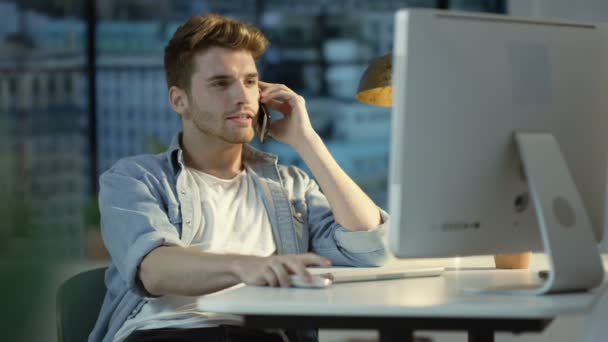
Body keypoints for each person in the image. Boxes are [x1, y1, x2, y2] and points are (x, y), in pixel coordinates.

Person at [88, 13, 389, 342]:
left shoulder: (290, 186)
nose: (242, 97)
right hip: (167, 331)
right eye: (221, 83)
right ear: (179, 100)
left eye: (249, 81)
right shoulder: (136, 178)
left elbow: (370, 250)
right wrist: (245, 267)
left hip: (262, 334)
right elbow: (154, 269)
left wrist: (308, 141)